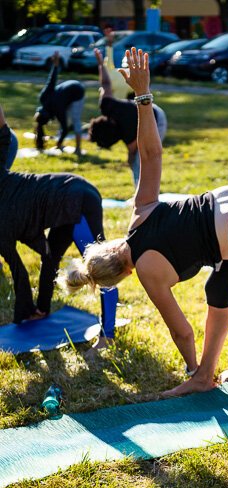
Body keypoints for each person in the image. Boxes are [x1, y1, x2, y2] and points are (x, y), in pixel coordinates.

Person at [60, 48, 228, 446]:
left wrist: (187, 362)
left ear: (118, 276)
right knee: (217, 290)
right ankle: (206, 377)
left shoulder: (150, 274)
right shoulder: (141, 213)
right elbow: (151, 153)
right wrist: (142, 95)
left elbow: (182, 331)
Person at [0, 103, 117, 342]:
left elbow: (3, 129)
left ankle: (108, 336)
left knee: (101, 268)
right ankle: (41, 310)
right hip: (60, 201)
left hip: (78, 198)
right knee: (50, 258)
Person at [89, 48, 167, 186]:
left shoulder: (128, 132)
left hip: (156, 118)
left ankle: (144, 194)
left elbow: (133, 152)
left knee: (142, 159)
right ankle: (139, 189)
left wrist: (130, 161)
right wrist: (100, 64)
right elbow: (106, 84)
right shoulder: (107, 106)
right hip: (139, 110)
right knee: (136, 160)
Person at [34, 52, 85, 155]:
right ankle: (61, 143)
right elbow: (51, 81)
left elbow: (51, 81)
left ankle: (78, 149)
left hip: (77, 91)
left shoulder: (57, 109)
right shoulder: (43, 98)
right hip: (66, 90)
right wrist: (55, 65)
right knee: (65, 122)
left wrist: (59, 143)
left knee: (75, 120)